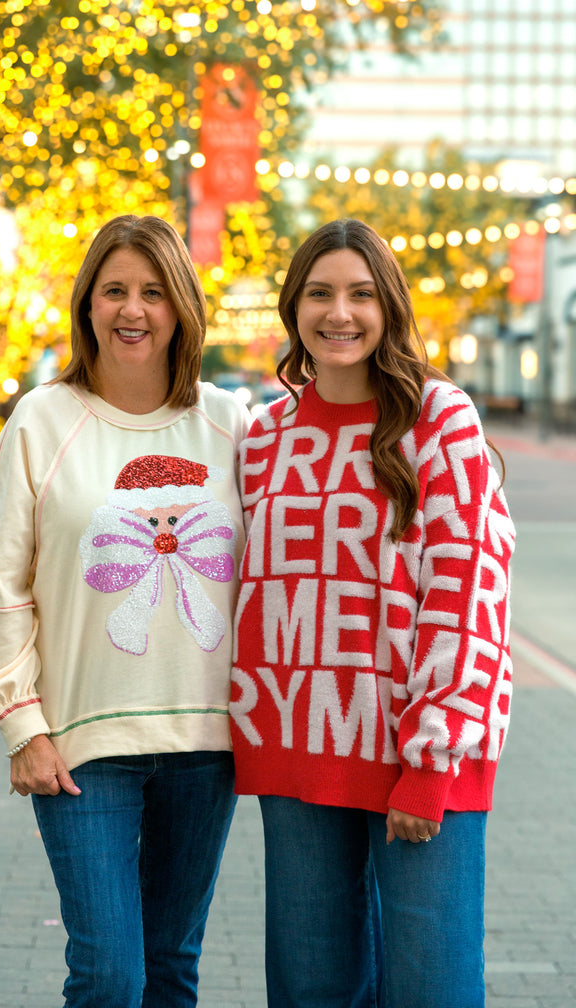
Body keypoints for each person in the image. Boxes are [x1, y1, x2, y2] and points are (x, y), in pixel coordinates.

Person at [0, 214, 252, 1008]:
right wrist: (21, 723)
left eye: (153, 291)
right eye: (114, 290)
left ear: (181, 305)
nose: (133, 309)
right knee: (110, 977)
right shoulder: (41, 421)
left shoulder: (230, 424)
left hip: (205, 745)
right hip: (82, 751)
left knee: (172, 969)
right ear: (87, 305)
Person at [229, 218, 515, 1008]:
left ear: (388, 307)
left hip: (422, 749)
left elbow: (467, 590)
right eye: (319, 294)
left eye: (360, 294)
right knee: (310, 988)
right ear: (294, 309)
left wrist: (430, 764)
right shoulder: (264, 435)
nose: (339, 314)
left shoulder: (439, 416)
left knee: (433, 986)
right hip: (299, 741)